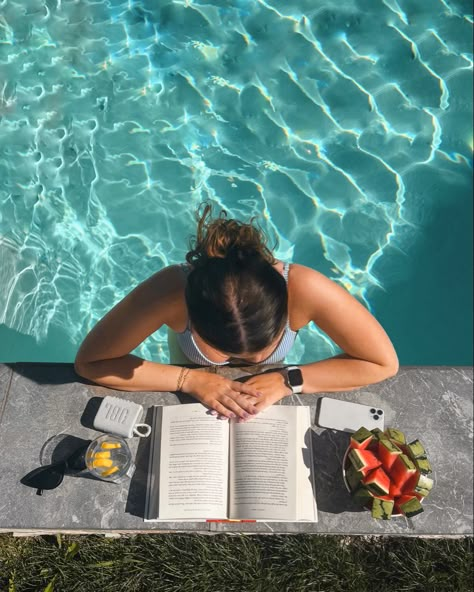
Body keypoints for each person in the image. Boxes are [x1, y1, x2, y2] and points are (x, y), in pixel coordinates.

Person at [75, 204, 399, 422]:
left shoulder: (305, 289)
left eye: (262, 350)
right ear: (192, 315)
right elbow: (91, 362)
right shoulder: (171, 294)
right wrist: (188, 378)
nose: (252, 362)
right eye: (225, 351)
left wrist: (289, 380)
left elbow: (382, 362)